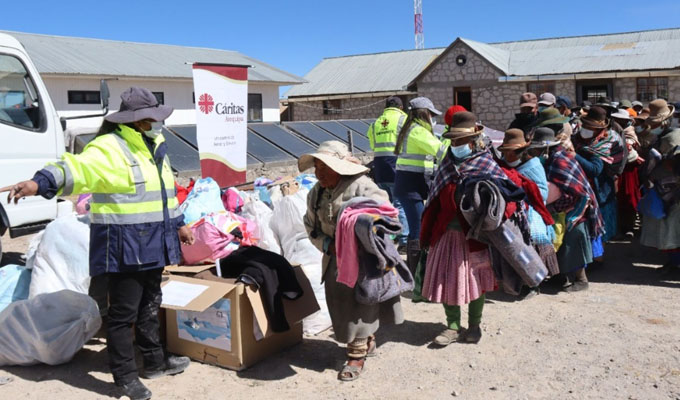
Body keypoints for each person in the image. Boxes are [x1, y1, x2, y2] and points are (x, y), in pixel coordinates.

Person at [1, 87, 194, 400]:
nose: (156, 124)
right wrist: (40, 182)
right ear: (132, 121)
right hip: (125, 245)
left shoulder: (154, 144)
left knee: (150, 305)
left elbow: (165, 193)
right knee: (122, 315)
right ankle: (125, 377)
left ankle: (156, 362)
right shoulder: (108, 148)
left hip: (155, 241)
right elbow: (74, 168)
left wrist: (179, 224)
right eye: (150, 120)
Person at [301, 141, 403, 381]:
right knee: (341, 303)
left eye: (325, 168)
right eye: (317, 168)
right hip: (333, 258)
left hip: (363, 259)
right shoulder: (316, 192)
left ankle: (356, 355)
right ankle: (366, 340)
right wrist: (326, 244)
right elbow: (309, 224)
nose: (319, 174)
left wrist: (362, 229)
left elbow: (387, 214)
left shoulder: (362, 186)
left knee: (360, 304)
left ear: (340, 167)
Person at [419, 111, 499, 346]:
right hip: (447, 234)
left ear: (474, 140)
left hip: (476, 237)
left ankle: (474, 326)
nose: (456, 145)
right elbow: (433, 203)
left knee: (476, 282)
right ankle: (452, 326)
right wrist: (426, 235)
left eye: (461, 141)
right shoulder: (445, 166)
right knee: (448, 280)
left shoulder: (487, 165)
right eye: (453, 140)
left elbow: (503, 201)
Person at [527, 127, 605, 292]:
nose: (534, 152)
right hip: (561, 208)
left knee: (574, 244)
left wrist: (556, 205)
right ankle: (560, 278)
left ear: (546, 148)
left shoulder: (560, 161)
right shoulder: (551, 160)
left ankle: (581, 280)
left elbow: (577, 191)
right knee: (560, 245)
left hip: (576, 208)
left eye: (537, 149)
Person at [497, 129, 559, 288]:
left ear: (521, 152)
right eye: (506, 152)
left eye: (512, 152)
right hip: (511, 206)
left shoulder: (533, 166)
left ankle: (535, 279)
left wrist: (520, 191)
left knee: (533, 234)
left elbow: (543, 193)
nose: (508, 156)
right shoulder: (502, 165)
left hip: (532, 207)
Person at [393, 96, 447, 273]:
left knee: (416, 228)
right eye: (431, 114)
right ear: (425, 114)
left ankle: (414, 269)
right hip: (410, 186)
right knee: (417, 229)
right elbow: (441, 151)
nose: (433, 118)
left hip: (409, 185)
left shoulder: (410, 129)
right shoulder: (418, 131)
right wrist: (450, 136)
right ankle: (417, 272)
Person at [572, 106, 626, 245]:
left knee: (600, 217)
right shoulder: (578, 138)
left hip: (602, 185)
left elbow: (597, 169)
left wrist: (575, 155)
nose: (585, 128)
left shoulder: (609, 141)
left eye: (590, 127)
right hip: (584, 184)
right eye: (585, 125)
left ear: (599, 129)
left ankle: (599, 250)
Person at [638, 100, 680, 274]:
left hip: (674, 192)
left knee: (673, 229)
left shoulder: (673, 138)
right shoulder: (665, 136)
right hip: (666, 190)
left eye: (654, 123)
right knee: (669, 229)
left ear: (664, 122)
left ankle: (676, 264)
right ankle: (673, 262)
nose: (652, 126)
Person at [367, 96, 409, 249]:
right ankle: (404, 239)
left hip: (379, 166)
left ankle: (388, 238)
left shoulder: (376, 122)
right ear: (401, 107)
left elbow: (372, 143)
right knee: (400, 202)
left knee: (385, 203)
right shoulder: (403, 119)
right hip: (396, 164)